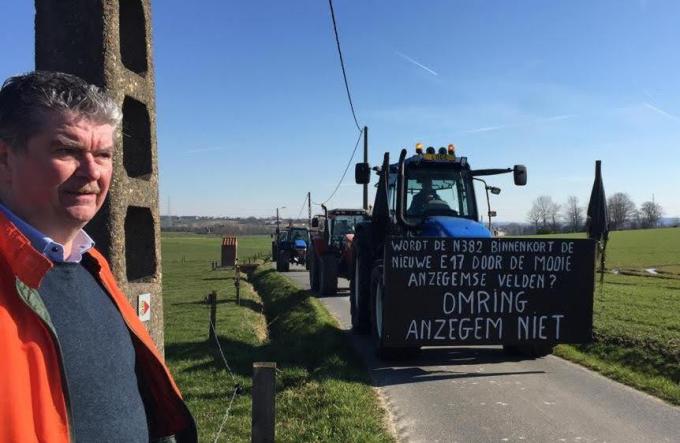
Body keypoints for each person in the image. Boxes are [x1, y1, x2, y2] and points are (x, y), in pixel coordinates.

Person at [0, 71, 196, 442]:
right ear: (5, 159)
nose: (92, 172)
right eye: (66, 150)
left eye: (103, 154)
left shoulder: (93, 266)